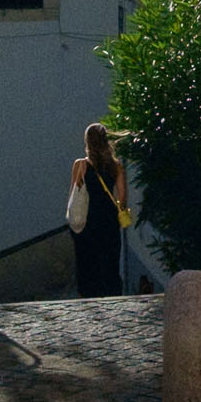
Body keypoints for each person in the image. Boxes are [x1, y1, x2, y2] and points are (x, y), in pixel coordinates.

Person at [69, 122, 127, 298]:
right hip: (109, 220)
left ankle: (88, 297)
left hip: (88, 220)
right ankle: (112, 297)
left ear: (87, 142)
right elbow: (122, 197)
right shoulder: (116, 166)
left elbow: (74, 195)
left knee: (87, 262)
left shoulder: (81, 165)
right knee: (110, 261)